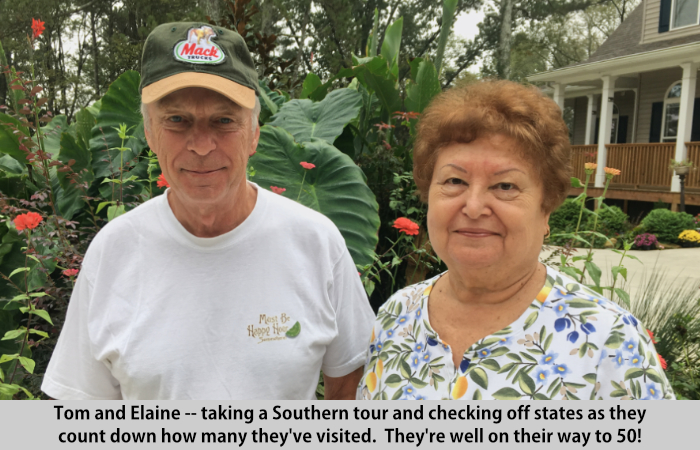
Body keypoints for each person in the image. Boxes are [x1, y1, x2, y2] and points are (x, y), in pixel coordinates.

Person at [41, 22, 374, 400]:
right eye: (177, 120)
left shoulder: (316, 242)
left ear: (254, 133)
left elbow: (351, 383)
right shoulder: (113, 252)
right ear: (149, 132)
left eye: (224, 120)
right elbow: (78, 405)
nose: (201, 145)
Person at [357, 80, 674, 400]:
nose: (474, 206)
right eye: (454, 181)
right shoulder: (396, 316)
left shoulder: (609, 341)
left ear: (547, 205)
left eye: (505, 186)